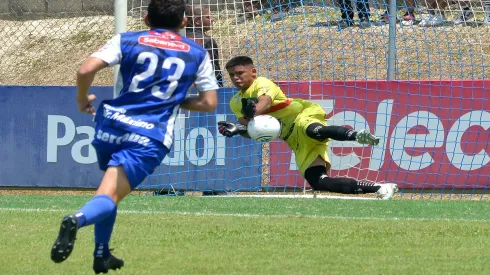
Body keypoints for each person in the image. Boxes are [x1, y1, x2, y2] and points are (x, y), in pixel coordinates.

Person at [49, 0, 219, 273]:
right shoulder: (197, 53)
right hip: (149, 134)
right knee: (110, 195)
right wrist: (173, 101)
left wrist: (82, 99)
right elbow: (209, 102)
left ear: (146, 19)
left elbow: (85, 70)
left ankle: (102, 254)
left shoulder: (127, 39)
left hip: (111, 125)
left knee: (108, 191)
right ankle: (77, 220)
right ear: (184, 22)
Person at [218, 56, 398, 199]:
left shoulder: (262, 83)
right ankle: (381, 188)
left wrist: (251, 115)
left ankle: (357, 135)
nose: (236, 78)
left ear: (253, 72)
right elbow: (255, 130)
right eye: (232, 75)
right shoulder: (235, 102)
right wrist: (238, 130)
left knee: (313, 130)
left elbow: (264, 103)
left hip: (302, 116)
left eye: (240, 73)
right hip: (293, 139)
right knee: (319, 182)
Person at [185, 4, 223, 87]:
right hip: (203, 88)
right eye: (208, 17)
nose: (212, 19)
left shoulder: (179, 39)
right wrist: (219, 87)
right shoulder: (206, 41)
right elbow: (214, 69)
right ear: (197, 20)